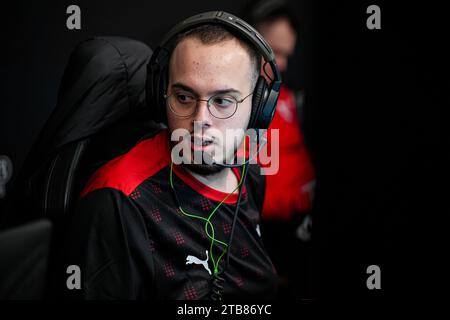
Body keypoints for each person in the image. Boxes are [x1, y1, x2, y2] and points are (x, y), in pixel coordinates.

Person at [59, 12, 282, 300]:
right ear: (161, 95)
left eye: (223, 101)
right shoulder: (119, 200)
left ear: (258, 108)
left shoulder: (249, 169)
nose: (200, 120)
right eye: (184, 98)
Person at [243, 0, 316, 298]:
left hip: (300, 235)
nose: (282, 64)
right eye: (275, 52)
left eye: (288, 54)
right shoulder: (225, 104)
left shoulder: (290, 98)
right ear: (250, 40)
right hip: (257, 240)